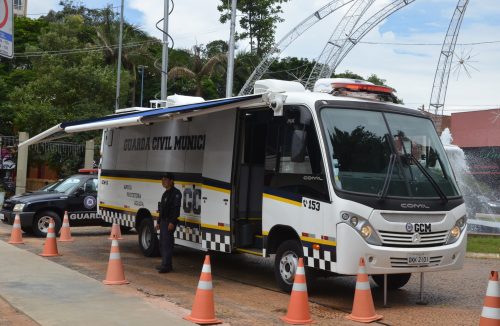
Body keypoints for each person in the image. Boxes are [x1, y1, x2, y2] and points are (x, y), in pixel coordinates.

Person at [156, 172, 182, 273]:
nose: (163, 182)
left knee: (167, 244)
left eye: (166, 180)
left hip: (169, 222)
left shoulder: (176, 193)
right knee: (162, 243)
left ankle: (166, 266)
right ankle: (165, 264)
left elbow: (176, 209)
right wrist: (158, 222)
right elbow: (161, 210)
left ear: (171, 181)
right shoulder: (165, 194)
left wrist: (172, 222)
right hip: (163, 221)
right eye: (162, 180)